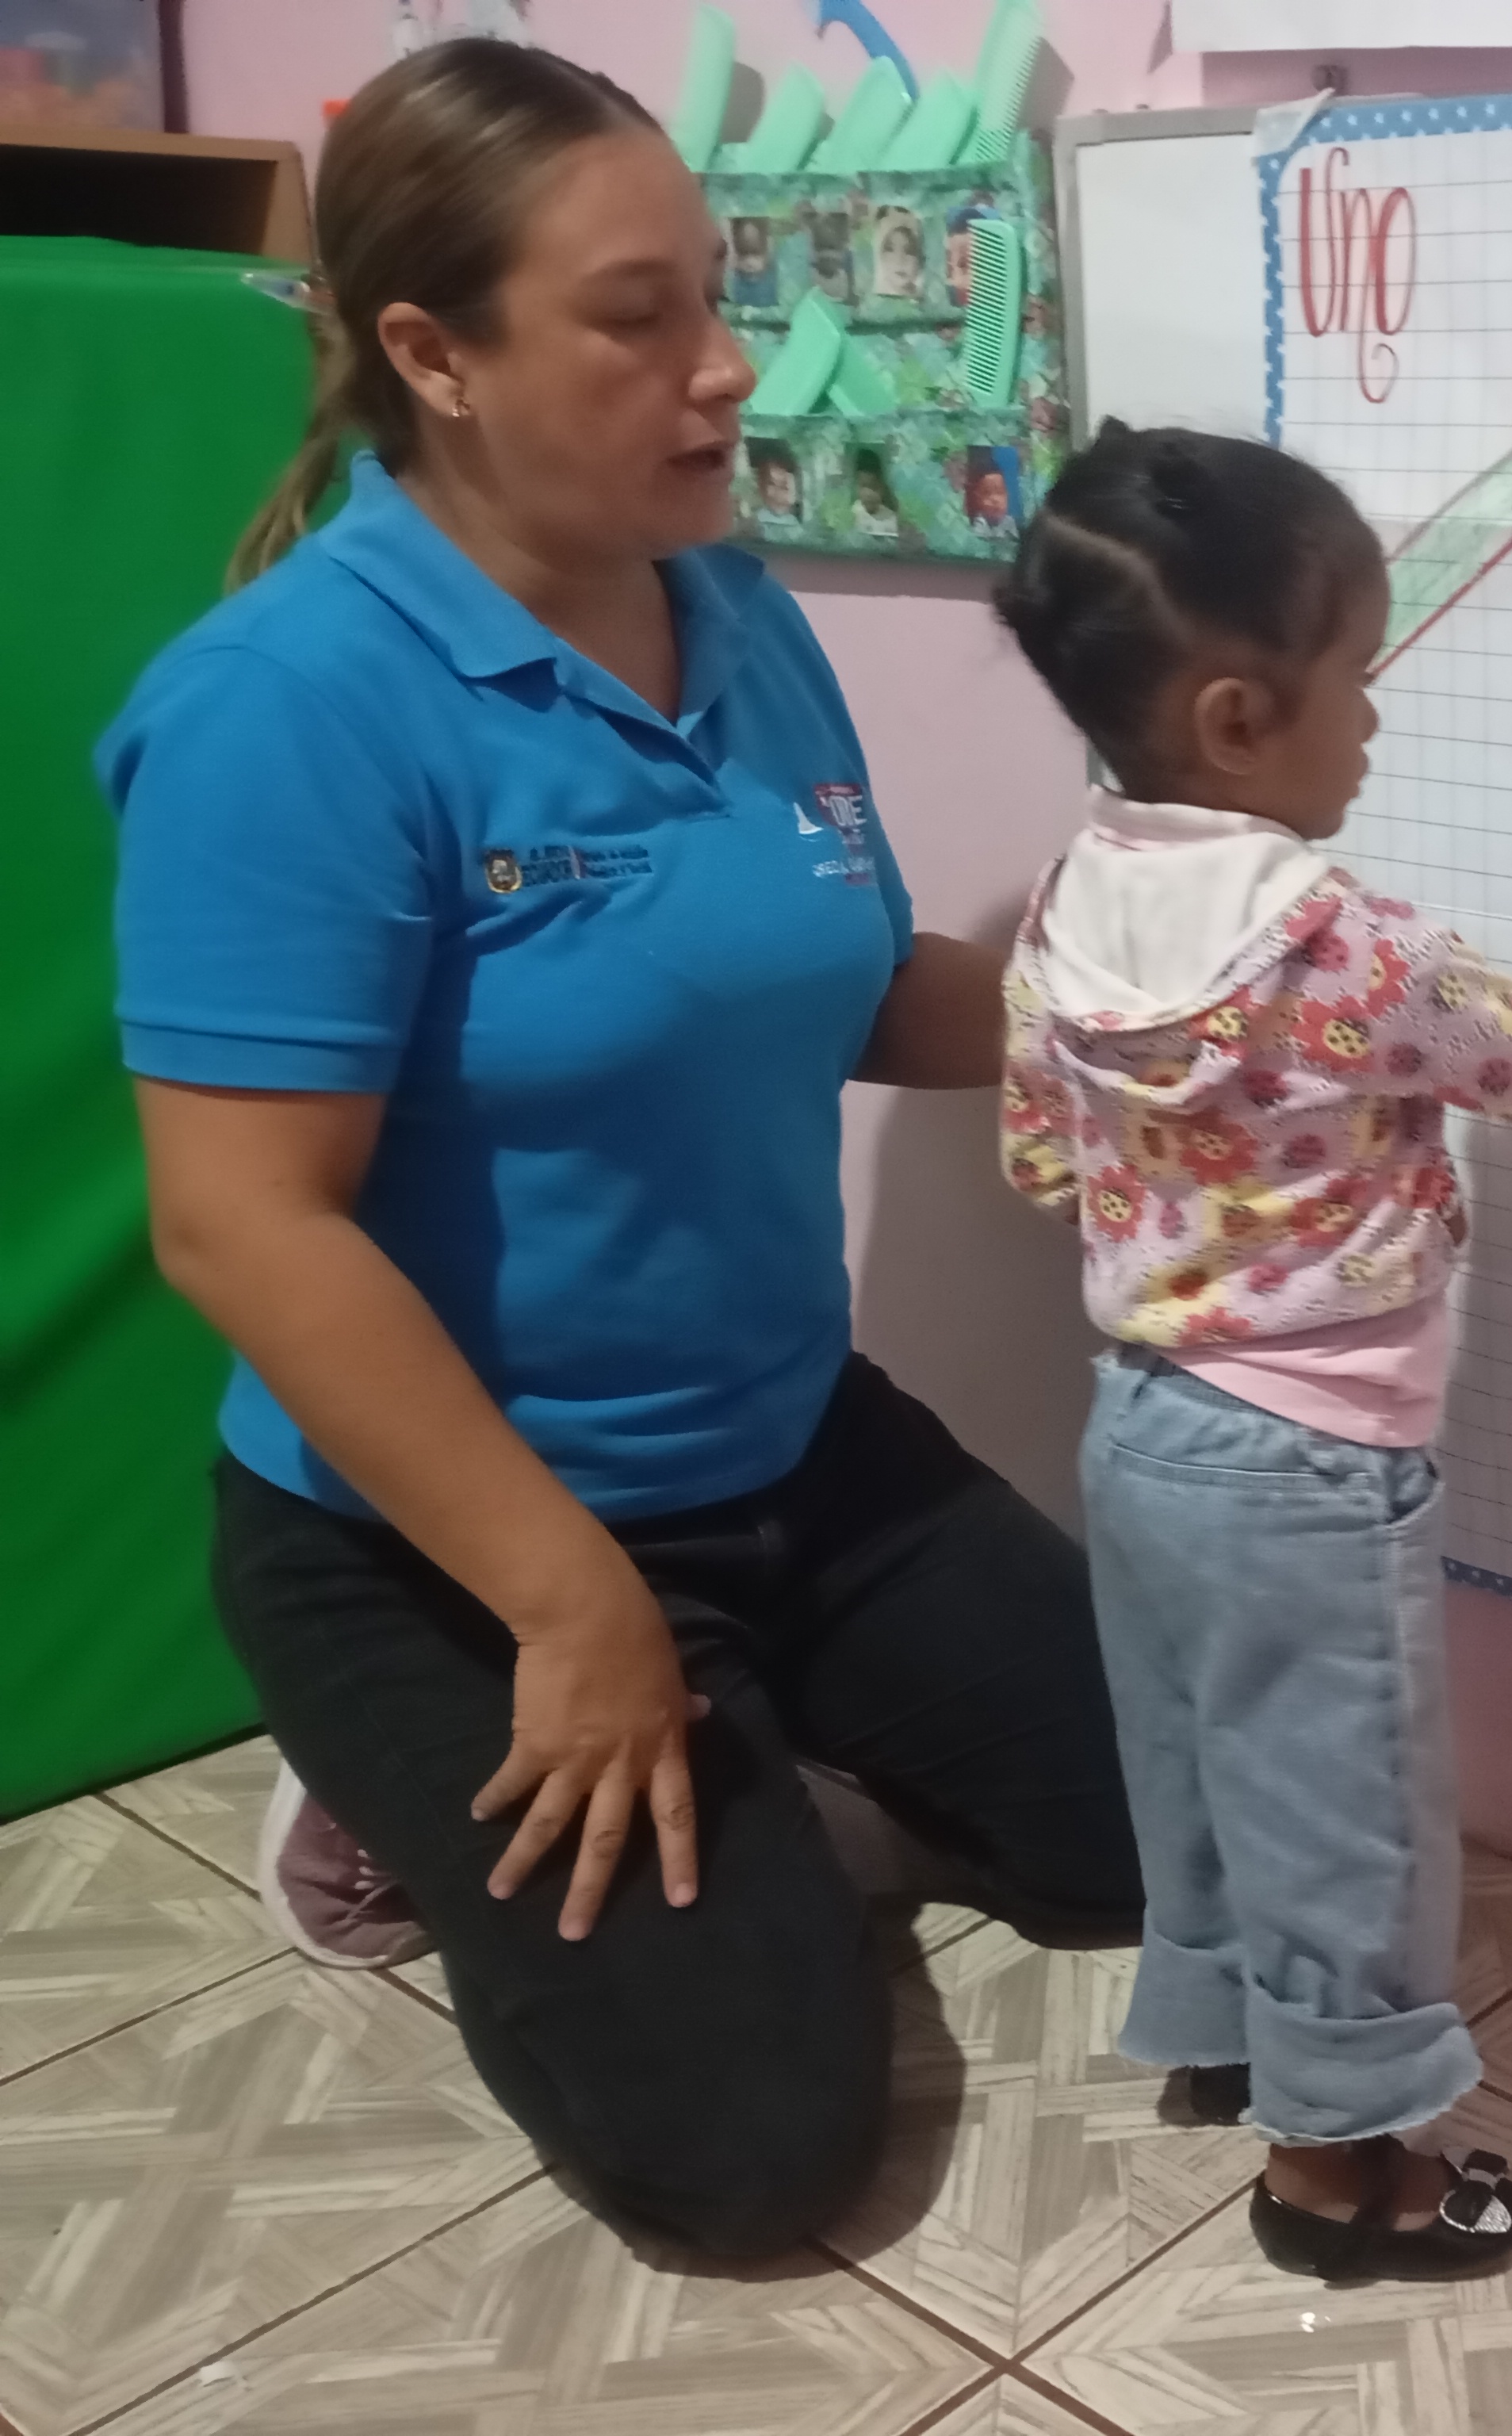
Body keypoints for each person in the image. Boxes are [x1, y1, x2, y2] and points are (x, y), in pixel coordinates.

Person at [100, 41, 1139, 2261]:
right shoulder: (288, 708)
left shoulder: (735, 610)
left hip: (794, 1456)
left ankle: (762, 1754)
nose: (726, 365)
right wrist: (571, 1607)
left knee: (1151, 1844)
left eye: (718, 297)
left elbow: (851, 984)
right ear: (434, 357)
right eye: (638, 315)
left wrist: (1160, 1029)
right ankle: (383, 1797)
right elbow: (241, 1224)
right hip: (461, 1537)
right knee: (743, 2153)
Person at [992, 420, 1512, 2280]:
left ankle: (1226, 2036)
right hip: (1306, 1462)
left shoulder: (1066, 907)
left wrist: (1182, 1212)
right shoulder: (1344, 955)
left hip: (1143, 1429)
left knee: (1201, 1770)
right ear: (1234, 719)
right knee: (1345, 1822)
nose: (1374, 718)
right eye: (1357, 676)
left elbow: (1042, 1159)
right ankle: (1336, 2176)